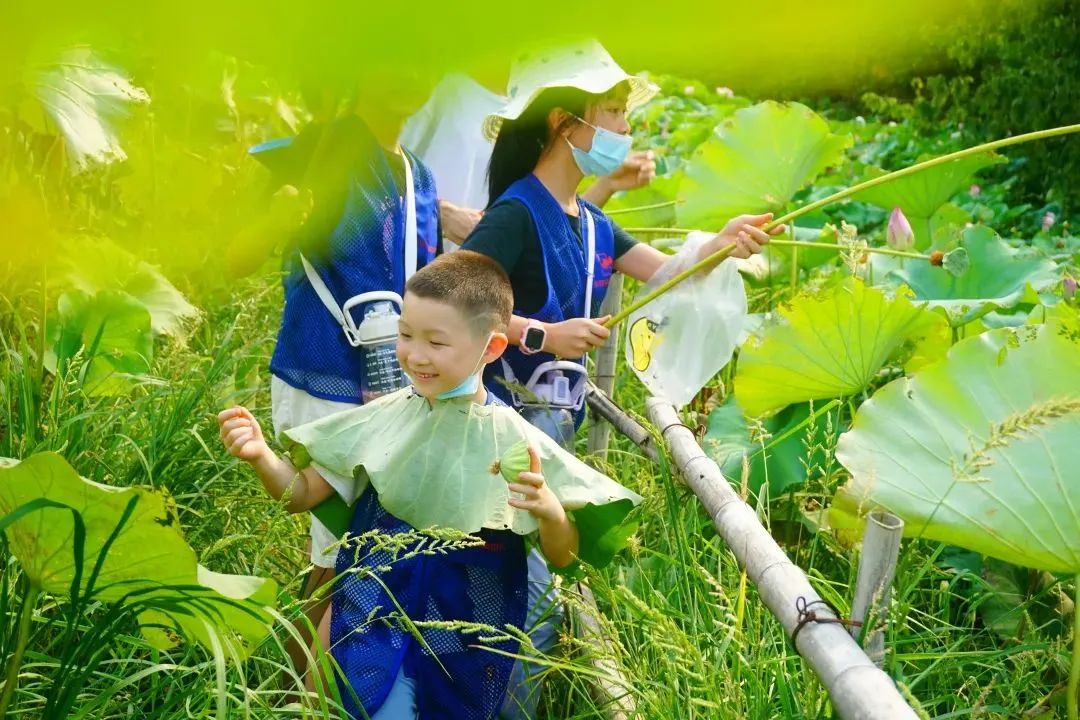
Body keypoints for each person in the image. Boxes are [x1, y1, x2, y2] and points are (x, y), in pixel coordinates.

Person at [460, 39, 785, 717]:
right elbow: (452, 296)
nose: (624, 130)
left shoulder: (595, 224)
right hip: (502, 435)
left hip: (554, 438)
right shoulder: (517, 213)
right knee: (510, 599)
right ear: (563, 124)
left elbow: (671, 274)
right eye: (612, 112)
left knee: (534, 600)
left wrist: (723, 243)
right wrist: (541, 334)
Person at [217, 251, 638, 719]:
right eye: (405, 335)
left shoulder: (514, 442)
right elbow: (300, 494)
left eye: (436, 343)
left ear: (492, 348)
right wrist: (260, 455)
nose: (415, 355)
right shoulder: (384, 418)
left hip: (464, 636)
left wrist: (550, 510)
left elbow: (564, 555)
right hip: (370, 615)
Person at [247, 69, 443, 672]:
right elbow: (240, 252)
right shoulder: (325, 147)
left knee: (349, 550)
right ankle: (301, 692)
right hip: (326, 369)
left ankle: (308, 687)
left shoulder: (419, 172)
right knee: (337, 550)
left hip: (392, 382)